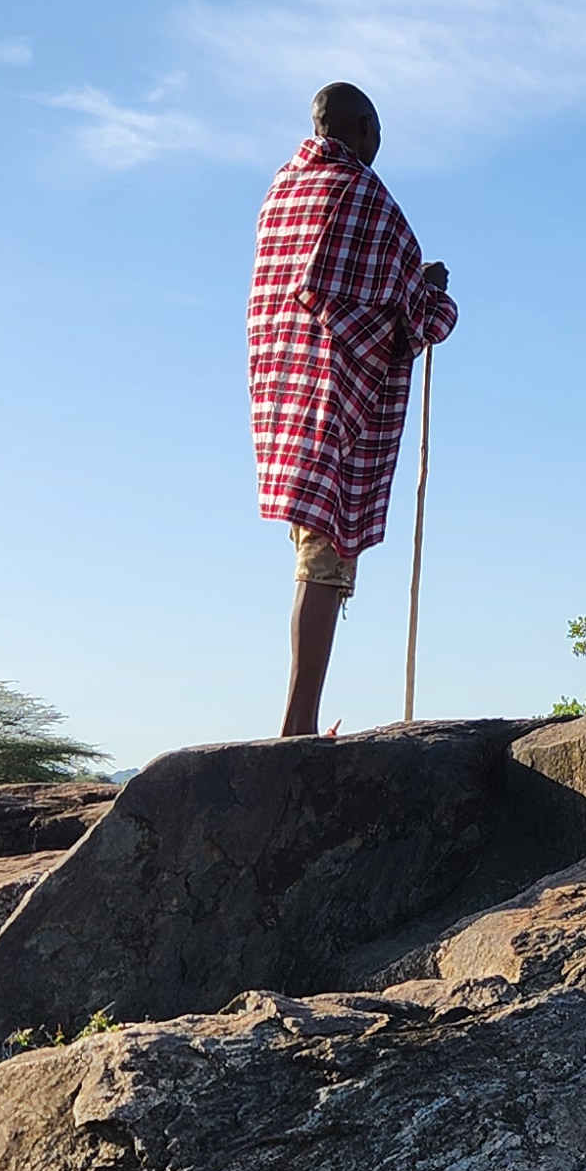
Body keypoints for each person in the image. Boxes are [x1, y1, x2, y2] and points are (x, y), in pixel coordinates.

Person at [248, 81, 457, 737]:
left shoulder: (284, 191)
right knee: (323, 557)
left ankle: (300, 718)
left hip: (285, 388)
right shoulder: (361, 193)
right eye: (378, 131)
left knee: (313, 548)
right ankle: (298, 726)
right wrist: (433, 293)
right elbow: (405, 311)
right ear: (362, 127)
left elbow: (321, 288)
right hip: (337, 393)